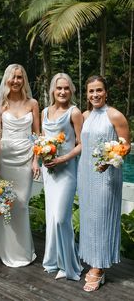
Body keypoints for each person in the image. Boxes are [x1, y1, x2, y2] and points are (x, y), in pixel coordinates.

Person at [78, 75, 130, 292]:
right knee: (89, 218)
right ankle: (92, 259)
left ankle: (98, 268)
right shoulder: (84, 115)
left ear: (106, 92)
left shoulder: (115, 115)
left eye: (99, 90)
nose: (95, 95)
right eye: (91, 91)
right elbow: (81, 144)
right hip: (86, 174)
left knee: (102, 217)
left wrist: (110, 162)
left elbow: (125, 146)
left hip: (107, 176)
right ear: (87, 94)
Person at [0, 63, 40, 267]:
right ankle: (0, 247)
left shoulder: (33, 103)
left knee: (21, 203)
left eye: (20, 77)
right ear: (7, 79)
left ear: (24, 80)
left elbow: (37, 135)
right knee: (5, 203)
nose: (16, 81)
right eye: (13, 77)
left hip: (26, 158)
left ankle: (20, 250)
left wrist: (37, 160)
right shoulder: (0, 104)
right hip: (5, 159)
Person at [41, 73, 83, 281]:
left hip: (66, 171)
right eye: (59, 88)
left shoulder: (74, 113)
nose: (63, 92)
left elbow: (82, 144)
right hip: (49, 172)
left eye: (66, 88)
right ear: (53, 91)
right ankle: (55, 260)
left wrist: (62, 159)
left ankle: (69, 265)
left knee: (60, 218)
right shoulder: (44, 112)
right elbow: (41, 139)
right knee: (51, 218)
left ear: (71, 90)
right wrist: (38, 158)